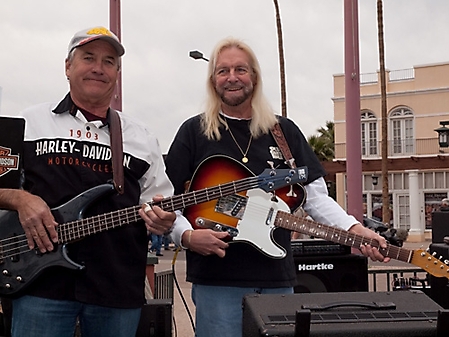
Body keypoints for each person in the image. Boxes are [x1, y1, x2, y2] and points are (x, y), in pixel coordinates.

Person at [165, 37, 390, 337]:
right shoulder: (193, 131)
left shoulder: (284, 132)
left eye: (240, 69)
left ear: (254, 77)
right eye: (223, 71)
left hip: (277, 278)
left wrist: (352, 229)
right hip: (217, 279)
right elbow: (167, 200)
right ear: (212, 80)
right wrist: (187, 236)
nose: (232, 78)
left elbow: (315, 197)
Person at [0, 26, 186, 337]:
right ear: (68, 67)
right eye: (88, 58)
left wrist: (164, 221)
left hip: (116, 288)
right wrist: (21, 199)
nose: (99, 68)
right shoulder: (28, 122)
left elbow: (163, 206)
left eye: (109, 61)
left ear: (117, 73)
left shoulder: (141, 137)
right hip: (39, 286)